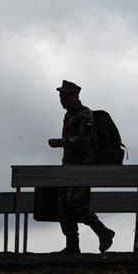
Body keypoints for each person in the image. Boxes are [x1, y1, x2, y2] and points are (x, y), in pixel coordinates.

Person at [47, 80, 115, 254]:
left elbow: (84, 141)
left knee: (75, 202)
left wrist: (60, 143)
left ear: (74, 97)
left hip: (84, 166)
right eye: (60, 97)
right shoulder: (68, 115)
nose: (61, 100)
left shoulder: (85, 115)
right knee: (62, 204)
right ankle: (72, 244)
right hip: (69, 166)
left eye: (64, 97)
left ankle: (103, 232)